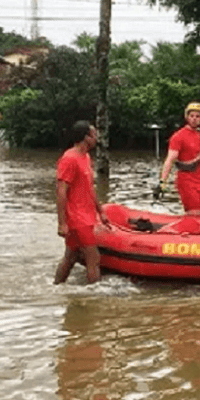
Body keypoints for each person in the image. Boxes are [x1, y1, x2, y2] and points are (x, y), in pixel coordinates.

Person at [53, 121, 109, 285]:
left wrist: (101, 211)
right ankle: (95, 296)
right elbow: (61, 191)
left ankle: (57, 286)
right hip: (76, 218)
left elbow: (89, 187)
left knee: (70, 257)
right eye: (93, 134)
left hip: (86, 215)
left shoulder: (85, 157)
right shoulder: (69, 159)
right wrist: (62, 223)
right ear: (85, 137)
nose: (96, 137)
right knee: (94, 257)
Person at [153, 101, 200, 215]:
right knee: (194, 213)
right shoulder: (178, 137)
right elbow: (170, 160)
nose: (194, 119)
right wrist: (162, 183)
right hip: (186, 180)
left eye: (197, 116)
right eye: (192, 116)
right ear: (187, 117)